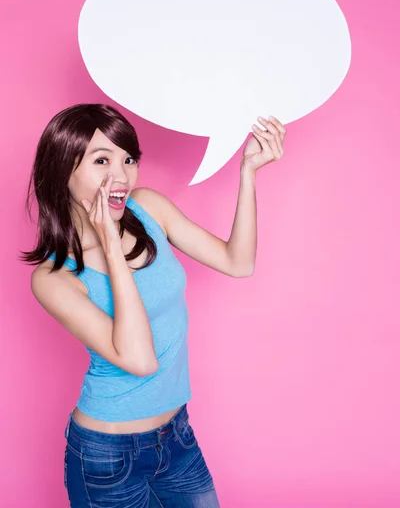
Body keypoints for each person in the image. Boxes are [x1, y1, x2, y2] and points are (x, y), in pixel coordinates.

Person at [22, 103, 285, 507]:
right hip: (106, 456)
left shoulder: (149, 209)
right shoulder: (55, 278)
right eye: (102, 160)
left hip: (176, 436)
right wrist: (109, 245)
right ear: (63, 169)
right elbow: (141, 360)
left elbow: (239, 262)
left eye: (128, 159)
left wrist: (247, 173)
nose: (121, 175)